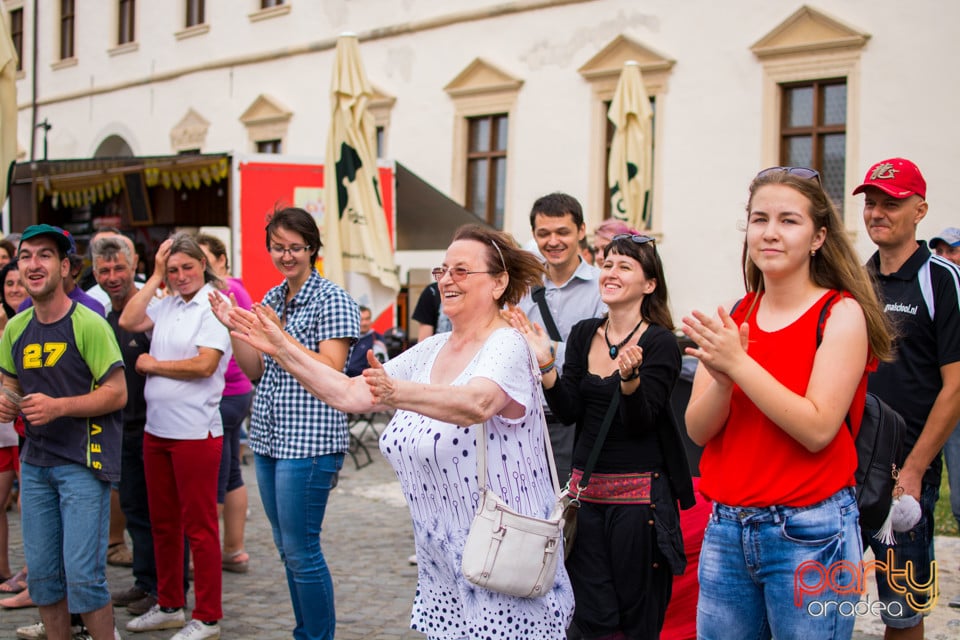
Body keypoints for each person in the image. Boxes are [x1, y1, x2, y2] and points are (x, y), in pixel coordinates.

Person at [223, 223, 575, 639]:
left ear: (498, 283)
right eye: (441, 271)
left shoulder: (507, 344)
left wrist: (397, 392)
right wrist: (280, 347)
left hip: (501, 559)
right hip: (443, 562)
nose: (446, 280)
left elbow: (476, 403)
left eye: (461, 271)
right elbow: (350, 393)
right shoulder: (433, 348)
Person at [683, 166, 893, 640]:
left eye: (788, 221)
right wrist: (719, 380)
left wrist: (738, 366)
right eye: (759, 219)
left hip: (813, 532)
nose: (770, 233)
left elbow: (818, 428)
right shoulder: (739, 312)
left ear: (818, 237)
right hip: (727, 528)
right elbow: (698, 431)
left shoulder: (839, 314)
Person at [509, 231, 694, 637]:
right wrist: (546, 367)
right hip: (586, 504)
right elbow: (570, 410)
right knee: (591, 620)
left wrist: (629, 382)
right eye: (607, 264)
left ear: (649, 284)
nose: (610, 272)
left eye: (624, 266)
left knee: (636, 621)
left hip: (639, 508)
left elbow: (642, 422)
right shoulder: (582, 333)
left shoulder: (661, 343)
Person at [209, 207, 358, 640]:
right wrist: (235, 328)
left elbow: (332, 369)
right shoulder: (273, 298)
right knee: (286, 550)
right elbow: (255, 369)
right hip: (271, 439)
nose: (287, 255)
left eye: (295, 247)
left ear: (312, 248)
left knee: (301, 549)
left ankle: (315, 636)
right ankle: (304, 632)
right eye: (278, 247)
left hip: (310, 440)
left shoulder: (333, 298)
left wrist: (279, 338)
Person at [0, 224, 127, 640]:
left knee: (85, 579)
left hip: (83, 465)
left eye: (45, 255)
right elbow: (10, 383)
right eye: (26, 256)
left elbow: (117, 393)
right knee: (43, 579)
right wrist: (5, 398)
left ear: (66, 267)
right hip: (35, 466)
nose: (33, 264)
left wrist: (59, 408)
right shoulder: (16, 328)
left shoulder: (88, 323)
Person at [855, 158, 960, 636]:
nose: (877, 212)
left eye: (890, 203)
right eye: (871, 203)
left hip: (905, 474)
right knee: (821, 598)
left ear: (919, 210)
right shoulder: (856, 280)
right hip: (845, 467)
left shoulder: (942, 279)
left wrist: (916, 470)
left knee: (903, 611)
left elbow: (956, 386)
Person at [119, 233, 231, 640]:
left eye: (187, 267)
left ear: (203, 265)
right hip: (157, 430)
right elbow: (128, 320)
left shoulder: (215, 306)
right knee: (162, 523)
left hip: (195, 432)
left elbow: (205, 365)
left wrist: (152, 364)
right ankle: (169, 604)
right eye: (174, 270)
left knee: (199, 527)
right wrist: (153, 277)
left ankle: (207, 616)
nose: (181, 276)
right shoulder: (165, 304)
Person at [514, 192, 606, 485]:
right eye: (544, 234)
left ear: (581, 231)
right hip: (524, 422)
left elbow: (602, 355)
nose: (553, 241)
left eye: (562, 232)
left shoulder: (603, 288)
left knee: (569, 513)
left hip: (576, 422)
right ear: (534, 235)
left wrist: (546, 349)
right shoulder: (520, 291)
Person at [195, 233, 254, 574]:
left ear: (220, 260)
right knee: (230, 469)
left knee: (213, 474)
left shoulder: (227, 291)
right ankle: (233, 550)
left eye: (202, 259)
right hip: (236, 391)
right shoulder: (236, 289)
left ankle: (201, 557)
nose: (198, 267)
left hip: (225, 390)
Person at [345, 306, 388, 377]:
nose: (364, 323)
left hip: (364, 382)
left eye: (367, 319)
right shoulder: (347, 337)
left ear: (371, 320)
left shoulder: (376, 339)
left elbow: (382, 367)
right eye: (361, 319)